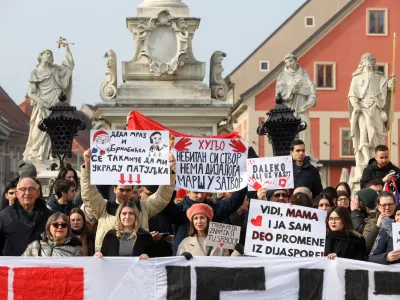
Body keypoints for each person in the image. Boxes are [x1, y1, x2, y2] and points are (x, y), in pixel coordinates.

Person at [81, 148, 176, 252]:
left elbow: (162, 197)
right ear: (114, 189)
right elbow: (88, 193)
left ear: (133, 191)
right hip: (106, 258)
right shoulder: (103, 207)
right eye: (121, 190)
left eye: (128, 190)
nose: (124, 193)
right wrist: (87, 165)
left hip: (137, 258)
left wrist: (169, 171)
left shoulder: (143, 207)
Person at [23, 44, 74, 162]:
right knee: (38, 128)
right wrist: (39, 100)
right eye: (47, 53)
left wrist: (67, 49)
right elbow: (31, 93)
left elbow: (69, 66)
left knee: (56, 127)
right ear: (40, 56)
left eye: (51, 54)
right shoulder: (35, 72)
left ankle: (53, 154)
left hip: (56, 101)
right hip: (42, 103)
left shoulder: (55, 70)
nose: (49, 55)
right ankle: (37, 153)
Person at [349, 53, 396, 178]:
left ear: (374, 62)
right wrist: (356, 105)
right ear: (362, 62)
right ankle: (366, 162)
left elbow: (387, 88)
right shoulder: (356, 78)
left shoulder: (380, 77)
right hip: (362, 110)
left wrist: (392, 83)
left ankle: (377, 160)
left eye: (371, 59)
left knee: (378, 136)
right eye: (366, 59)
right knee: (363, 134)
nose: (368, 61)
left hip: (376, 108)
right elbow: (352, 95)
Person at [168, 188, 247, 255]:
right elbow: (166, 205)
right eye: (196, 192)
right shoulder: (179, 210)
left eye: (202, 192)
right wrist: (170, 178)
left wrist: (241, 179)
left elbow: (235, 201)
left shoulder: (214, 207)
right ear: (187, 192)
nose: (200, 196)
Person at [276, 53, 317, 160]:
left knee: (304, 126)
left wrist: (312, 98)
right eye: (287, 62)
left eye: (291, 61)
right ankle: (290, 155)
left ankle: (306, 155)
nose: (289, 64)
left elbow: (311, 87)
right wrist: (292, 89)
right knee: (290, 132)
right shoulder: (281, 76)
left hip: (302, 106)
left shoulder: (303, 73)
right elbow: (278, 95)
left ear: (295, 60)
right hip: (289, 108)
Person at [0, 177, 53, 256]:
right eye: (23, 189)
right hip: (13, 266)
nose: (27, 193)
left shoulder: (50, 217)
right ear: (17, 194)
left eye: (31, 189)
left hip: (40, 265)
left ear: (38, 193)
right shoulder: (4, 216)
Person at [178, 203, 242, 258]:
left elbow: (227, 265)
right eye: (195, 218)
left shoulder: (220, 242)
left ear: (208, 220)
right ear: (192, 222)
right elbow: (178, 269)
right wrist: (182, 259)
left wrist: (237, 253)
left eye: (202, 217)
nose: (199, 221)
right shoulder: (185, 243)